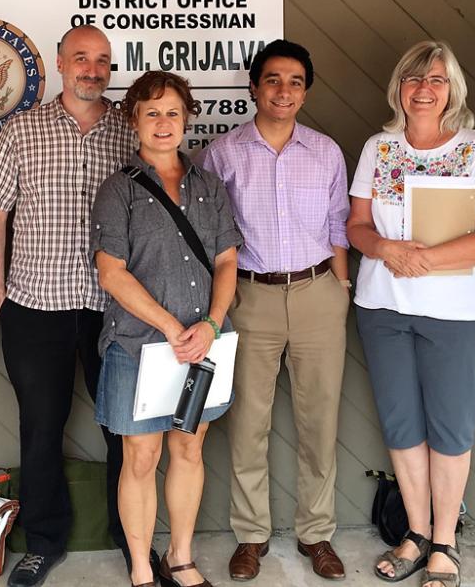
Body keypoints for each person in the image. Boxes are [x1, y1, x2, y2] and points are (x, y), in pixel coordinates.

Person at [346, 40, 475, 587]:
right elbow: (356, 227)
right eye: (414, 79)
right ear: (399, 88)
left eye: (437, 80)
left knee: (450, 427)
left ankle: (445, 541)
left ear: (453, 90)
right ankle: (416, 533)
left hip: (458, 312)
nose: (424, 90)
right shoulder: (378, 148)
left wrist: (424, 257)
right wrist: (383, 249)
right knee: (401, 425)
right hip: (384, 308)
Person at [0, 25, 138, 587]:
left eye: (102, 60)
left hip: (114, 311)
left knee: (125, 429)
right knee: (40, 428)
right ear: (60, 63)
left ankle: (132, 539)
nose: (92, 69)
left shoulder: (131, 131)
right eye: (81, 59)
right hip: (35, 305)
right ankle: (44, 541)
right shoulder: (22, 129)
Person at [198, 39, 351, 582]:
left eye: (294, 82)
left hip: (317, 293)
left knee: (319, 419)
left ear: (305, 91)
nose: (283, 91)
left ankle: (317, 533)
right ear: (253, 87)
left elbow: (339, 224)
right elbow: (209, 231)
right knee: (248, 423)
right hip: (250, 297)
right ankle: (251, 536)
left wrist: (342, 286)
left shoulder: (326, 151)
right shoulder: (222, 153)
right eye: (272, 80)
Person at [92, 71, 242, 587]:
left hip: (202, 346)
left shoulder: (209, 186)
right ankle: (140, 565)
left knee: (189, 448)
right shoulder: (118, 190)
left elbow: (226, 260)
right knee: (141, 455)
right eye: (151, 112)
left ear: (187, 119)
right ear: (134, 120)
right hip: (138, 348)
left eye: (173, 112)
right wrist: (175, 328)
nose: (163, 123)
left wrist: (211, 325)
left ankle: (180, 556)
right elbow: (112, 272)